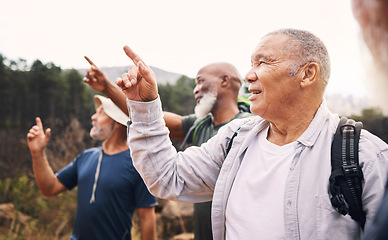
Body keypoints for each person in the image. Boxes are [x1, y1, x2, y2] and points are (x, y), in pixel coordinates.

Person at [115, 28, 388, 240]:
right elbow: (167, 177)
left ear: (307, 74)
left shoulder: (363, 156)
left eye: (263, 62)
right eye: (251, 63)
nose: (248, 75)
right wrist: (144, 105)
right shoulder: (235, 140)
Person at [84, 58, 251, 239]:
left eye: (200, 81)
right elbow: (148, 117)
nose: (195, 90)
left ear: (224, 81)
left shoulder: (248, 130)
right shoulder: (198, 126)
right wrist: (108, 88)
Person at [26, 95, 157, 240]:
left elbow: (146, 219)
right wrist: (37, 153)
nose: (93, 117)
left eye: (101, 112)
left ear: (117, 122)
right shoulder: (86, 157)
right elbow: (49, 188)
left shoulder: (137, 164)